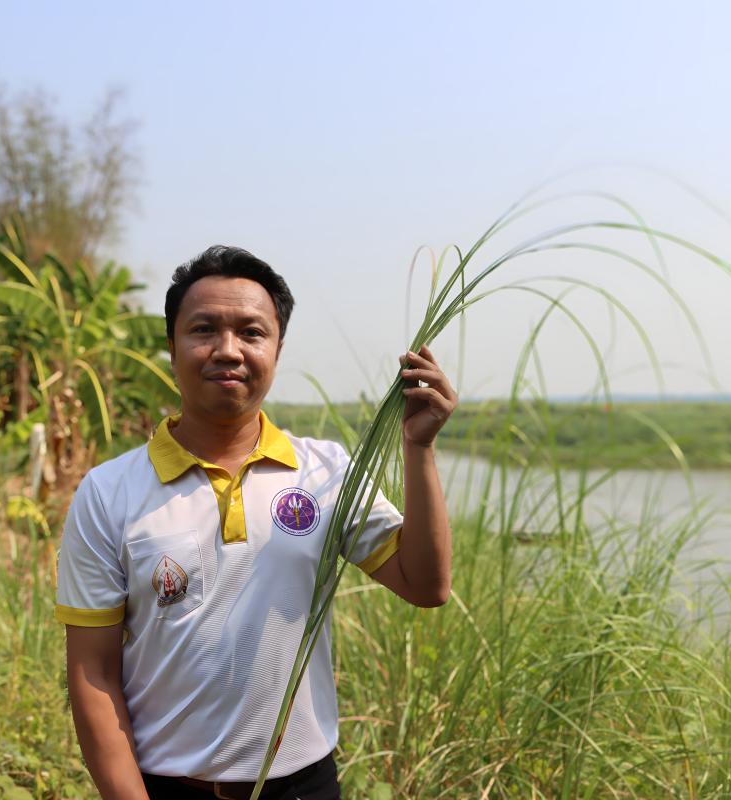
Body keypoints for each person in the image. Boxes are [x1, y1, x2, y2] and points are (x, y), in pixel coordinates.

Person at [54, 245, 456, 800]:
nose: (228, 350)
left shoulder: (327, 472)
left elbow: (426, 584)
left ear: (277, 348)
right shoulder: (108, 493)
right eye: (204, 330)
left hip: (304, 787)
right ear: (171, 348)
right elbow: (92, 675)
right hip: (168, 788)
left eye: (251, 332)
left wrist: (420, 449)